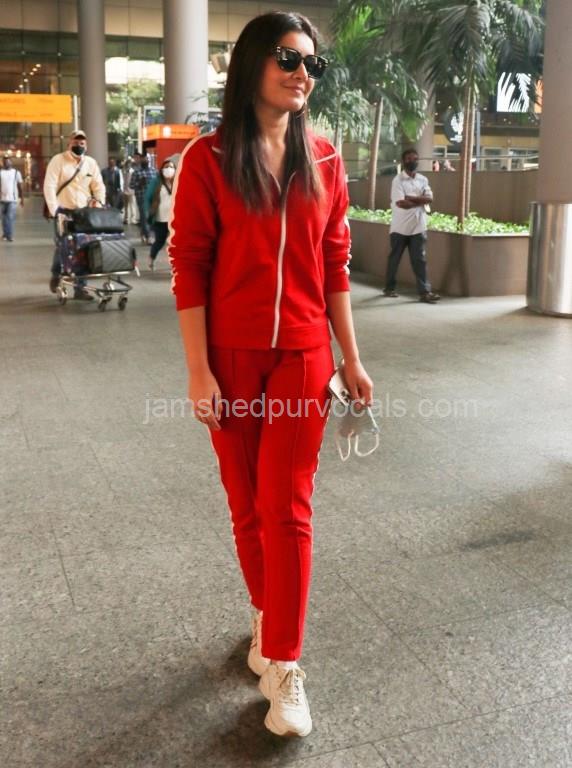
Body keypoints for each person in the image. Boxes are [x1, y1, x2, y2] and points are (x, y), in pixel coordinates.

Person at [169, 11, 373, 739]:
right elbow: (189, 265)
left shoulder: (325, 159)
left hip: (304, 357)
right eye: (288, 58)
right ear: (252, 62)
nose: (302, 73)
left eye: (312, 63)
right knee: (247, 506)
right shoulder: (208, 159)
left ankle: (284, 662)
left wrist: (351, 356)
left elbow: (334, 263)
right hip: (231, 357)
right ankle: (267, 616)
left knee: (287, 506)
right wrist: (199, 370)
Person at [44, 129, 105, 300]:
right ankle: (56, 274)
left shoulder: (91, 163)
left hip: (84, 213)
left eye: (82, 143)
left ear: (86, 145)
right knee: (62, 245)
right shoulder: (58, 160)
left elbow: (98, 186)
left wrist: (99, 202)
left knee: (83, 247)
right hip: (63, 212)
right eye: (75, 142)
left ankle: (80, 288)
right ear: (69, 143)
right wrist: (54, 210)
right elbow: (49, 185)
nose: (79, 145)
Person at [384, 148, 440, 304]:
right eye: (409, 159)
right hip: (400, 227)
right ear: (403, 161)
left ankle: (425, 292)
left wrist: (411, 198)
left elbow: (430, 198)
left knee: (419, 260)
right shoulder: (398, 180)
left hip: (418, 226)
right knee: (395, 259)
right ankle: (389, 288)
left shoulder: (423, 179)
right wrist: (420, 200)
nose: (412, 161)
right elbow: (401, 203)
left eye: (415, 159)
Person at [144, 159, 175, 270]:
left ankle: (175, 264)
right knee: (160, 241)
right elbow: (148, 198)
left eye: (171, 167)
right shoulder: (156, 182)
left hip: (175, 219)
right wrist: (148, 211)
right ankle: (151, 257)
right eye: (166, 167)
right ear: (161, 170)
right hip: (160, 218)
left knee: (175, 242)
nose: (169, 169)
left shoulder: (178, 181)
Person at [129, 152, 155, 243]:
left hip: (153, 198)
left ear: (149, 160)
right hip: (141, 198)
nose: (145, 160)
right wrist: (139, 183)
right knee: (144, 216)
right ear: (140, 160)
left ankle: (143, 233)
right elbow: (131, 186)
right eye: (143, 159)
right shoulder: (136, 172)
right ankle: (149, 237)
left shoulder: (154, 171)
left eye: (146, 159)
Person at [0, 156, 24, 242]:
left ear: (11, 162)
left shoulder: (16, 173)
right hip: (2, 199)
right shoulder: (1, 173)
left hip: (12, 200)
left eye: (8, 161)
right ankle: (5, 234)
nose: (6, 163)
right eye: (4, 162)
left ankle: (9, 236)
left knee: (10, 217)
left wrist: (22, 199)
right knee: (3, 218)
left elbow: (20, 186)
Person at [122, 157, 138, 225]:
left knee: (132, 205)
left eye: (129, 163)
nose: (128, 164)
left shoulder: (133, 171)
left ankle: (133, 219)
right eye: (127, 163)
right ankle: (126, 219)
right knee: (126, 206)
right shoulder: (124, 171)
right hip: (125, 190)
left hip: (132, 190)